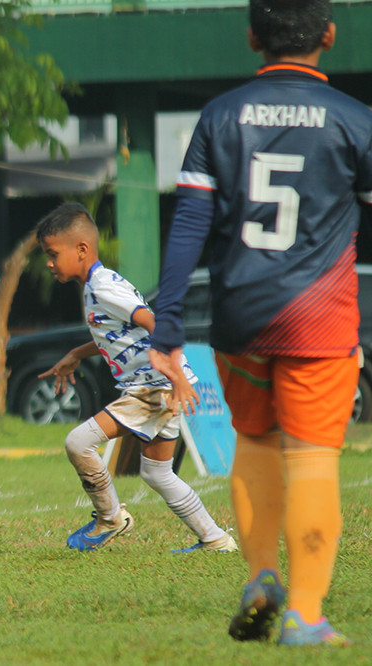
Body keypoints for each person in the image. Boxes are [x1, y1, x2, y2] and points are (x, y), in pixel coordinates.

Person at [148, 0, 370, 647]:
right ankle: (304, 612)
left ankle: (261, 574)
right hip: (318, 321)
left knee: (255, 441)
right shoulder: (355, 120)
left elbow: (189, 222)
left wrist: (165, 327)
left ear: (252, 37)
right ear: (329, 35)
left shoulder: (220, 116)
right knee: (312, 459)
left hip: (240, 314)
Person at [35, 203, 238, 556]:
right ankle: (216, 539)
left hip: (151, 387)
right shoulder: (98, 284)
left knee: (78, 443)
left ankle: (110, 518)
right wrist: (76, 355)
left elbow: (154, 324)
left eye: (53, 254)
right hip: (158, 385)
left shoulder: (102, 288)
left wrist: (175, 375)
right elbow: (119, 336)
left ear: (81, 250)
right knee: (157, 474)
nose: (49, 263)